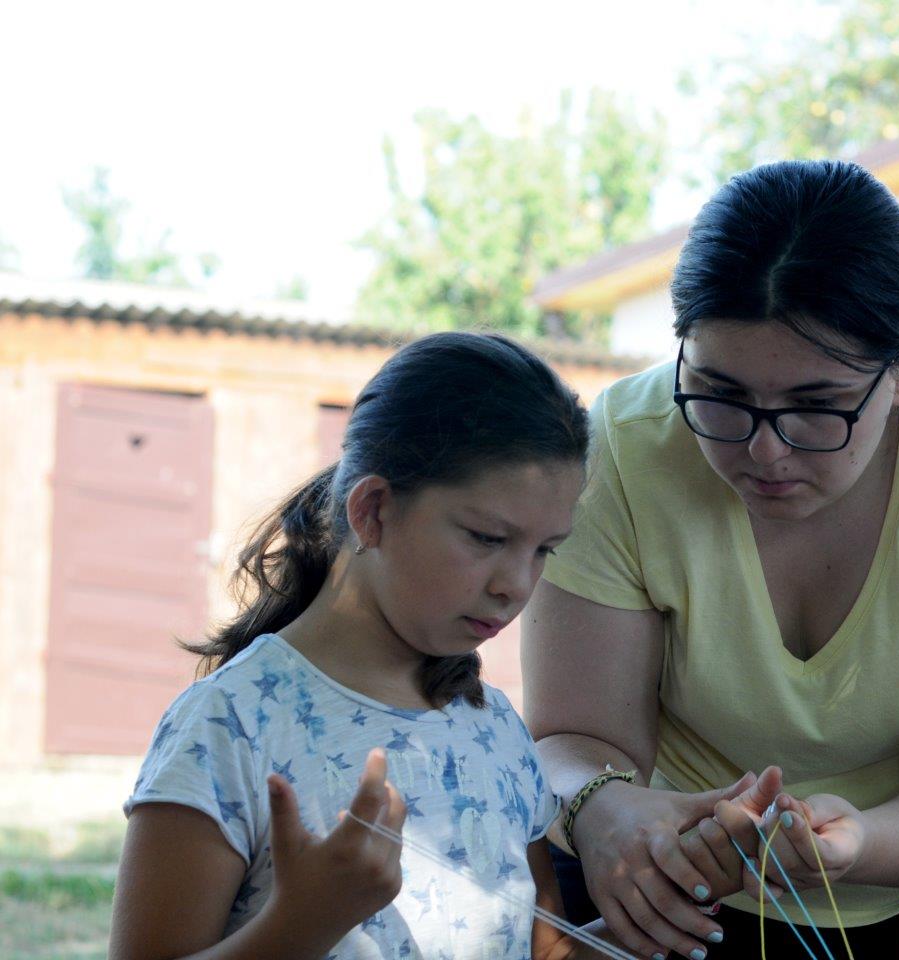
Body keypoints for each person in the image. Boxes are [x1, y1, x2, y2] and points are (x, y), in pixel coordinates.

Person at [522, 160, 899, 959]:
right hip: (670, 881)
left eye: (817, 408)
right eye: (719, 394)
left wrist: (856, 843)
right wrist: (608, 813)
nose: (763, 450)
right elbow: (574, 738)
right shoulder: (624, 441)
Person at [109, 333, 625, 960]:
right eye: (487, 538)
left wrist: (688, 885)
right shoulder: (230, 726)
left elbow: (547, 953)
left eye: (545, 549)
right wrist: (302, 922)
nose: (517, 586)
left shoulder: (495, 728)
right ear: (374, 509)